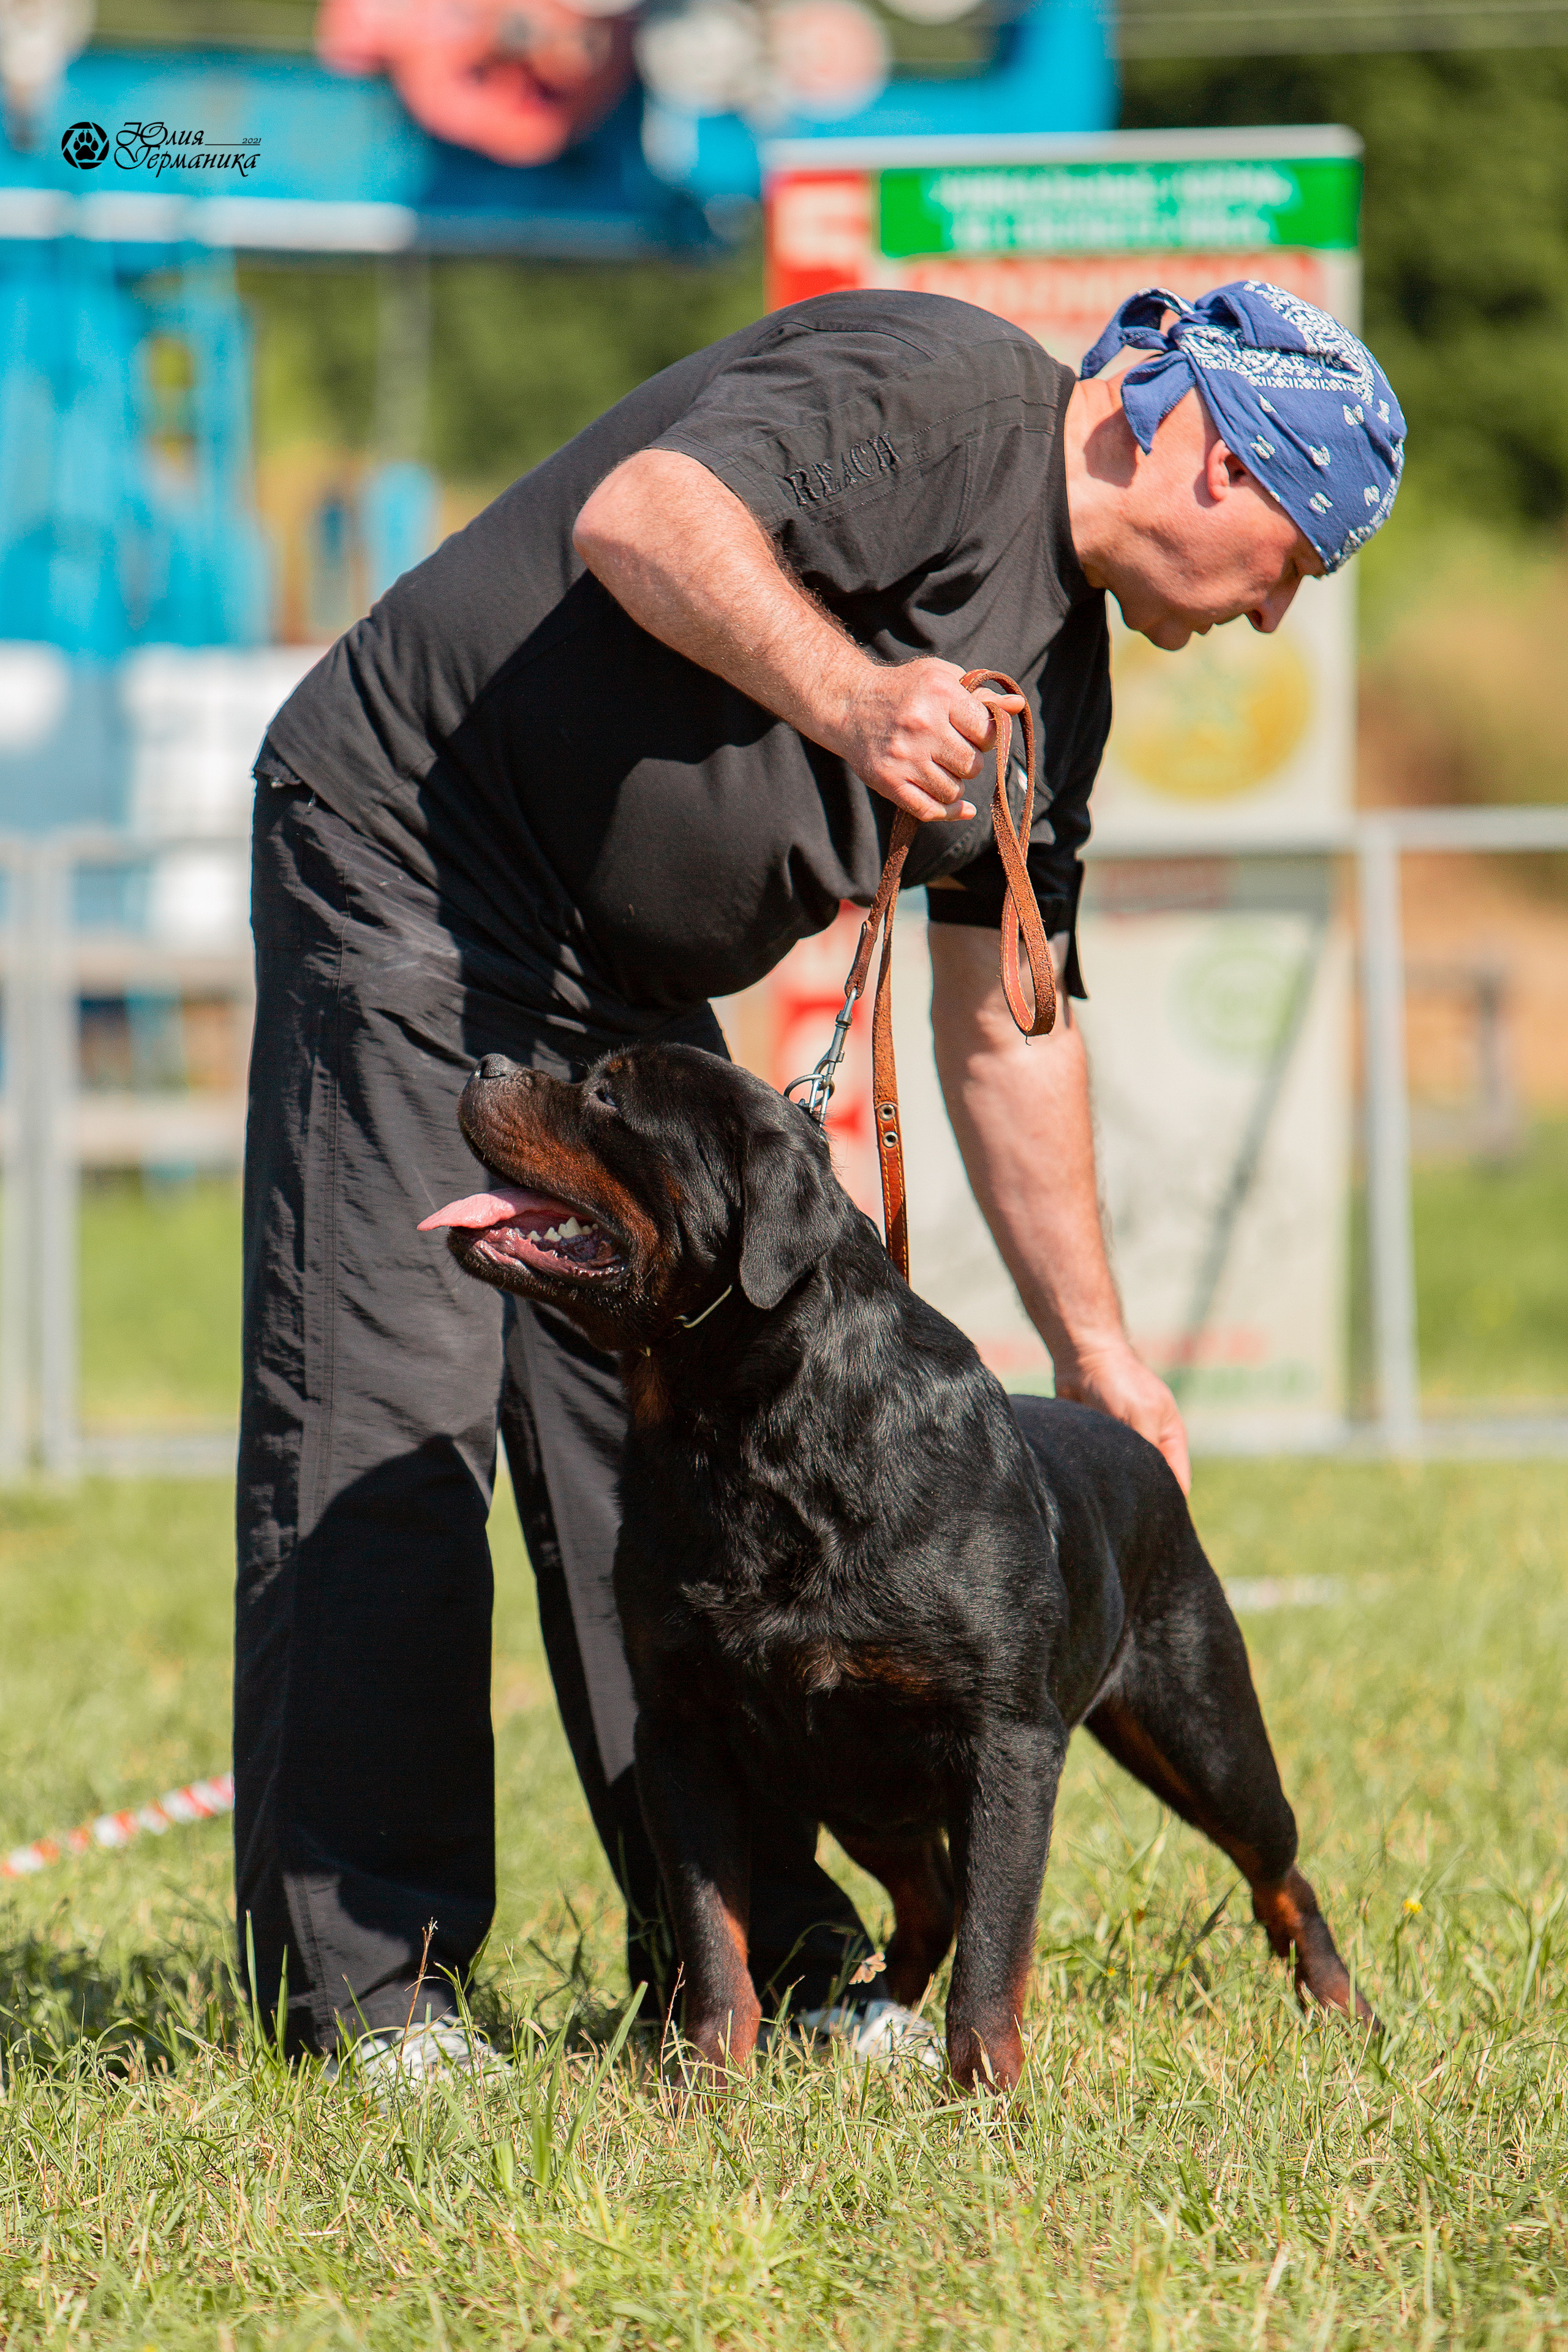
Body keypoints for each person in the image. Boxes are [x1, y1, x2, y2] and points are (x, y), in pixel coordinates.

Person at [238, 279, 1404, 2078]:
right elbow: (651, 516)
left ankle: (763, 1968)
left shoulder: (1059, 686)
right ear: (1196, 443)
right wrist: (857, 699)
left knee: (692, 1446)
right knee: (388, 1423)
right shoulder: (942, 397)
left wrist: (1098, 1351)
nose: (1270, 611)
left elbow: (1005, 1026)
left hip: (610, 977)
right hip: (417, 858)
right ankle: (370, 1999)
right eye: (1290, 556)